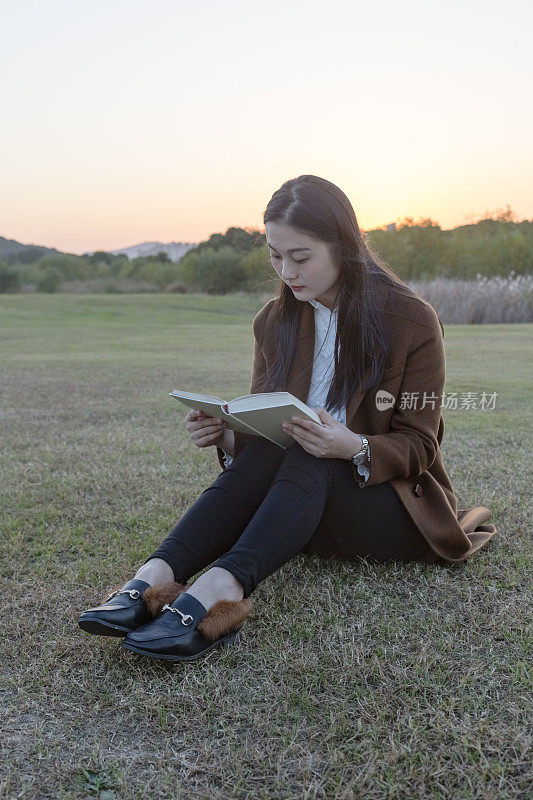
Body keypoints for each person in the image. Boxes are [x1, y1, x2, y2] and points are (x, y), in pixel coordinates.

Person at [78, 174, 497, 662]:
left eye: (300, 257)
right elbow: (265, 432)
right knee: (281, 452)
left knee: (312, 452)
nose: (287, 271)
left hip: (388, 511)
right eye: (275, 256)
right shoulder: (275, 320)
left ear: (346, 247)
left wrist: (353, 446)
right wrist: (228, 437)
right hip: (300, 512)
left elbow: (420, 445)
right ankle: (154, 576)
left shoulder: (411, 321)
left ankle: (220, 588)